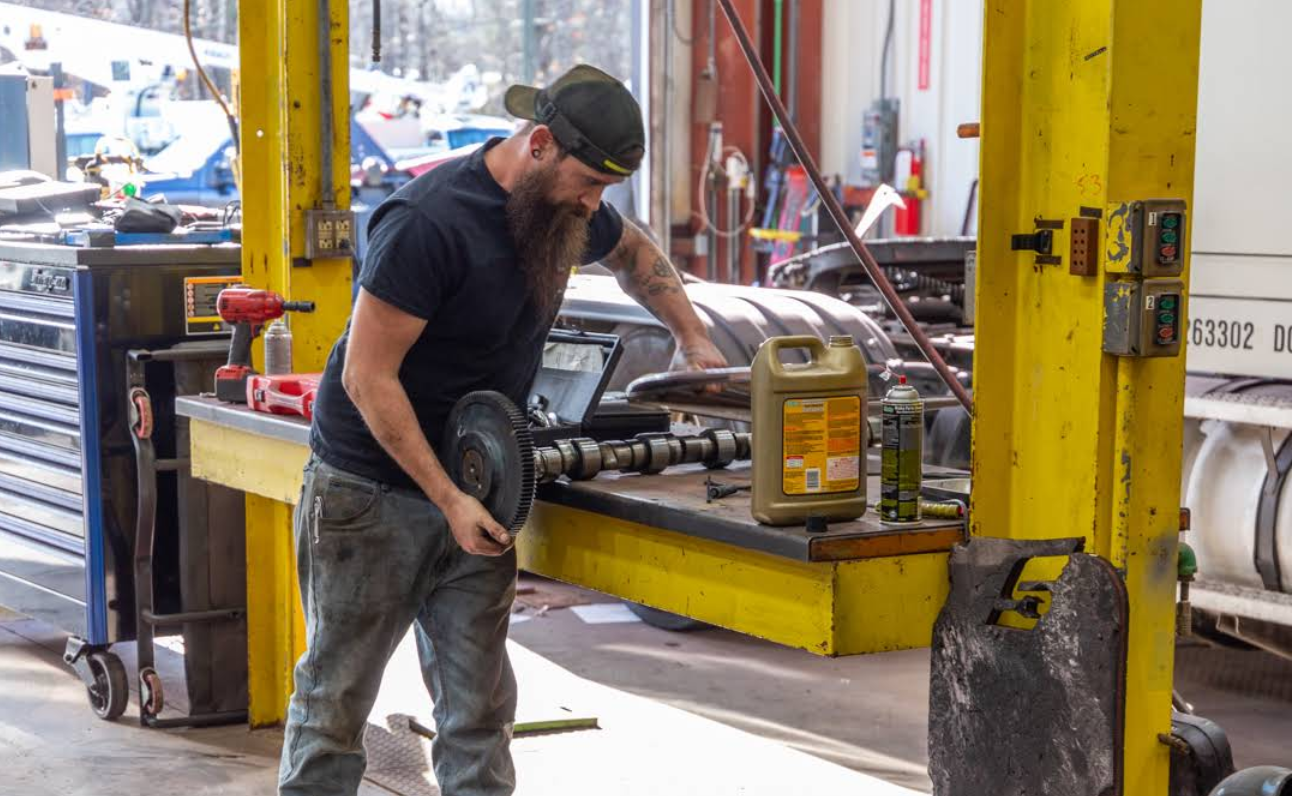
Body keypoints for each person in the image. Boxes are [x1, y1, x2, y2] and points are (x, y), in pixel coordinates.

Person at [277, 64, 728, 796]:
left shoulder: (560, 211)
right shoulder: (428, 224)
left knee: (480, 709)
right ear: (540, 143)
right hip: (371, 492)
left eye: (606, 189)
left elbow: (635, 253)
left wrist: (692, 336)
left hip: (482, 482)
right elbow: (368, 378)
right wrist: (447, 501)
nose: (595, 202)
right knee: (335, 704)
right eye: (588, 181)